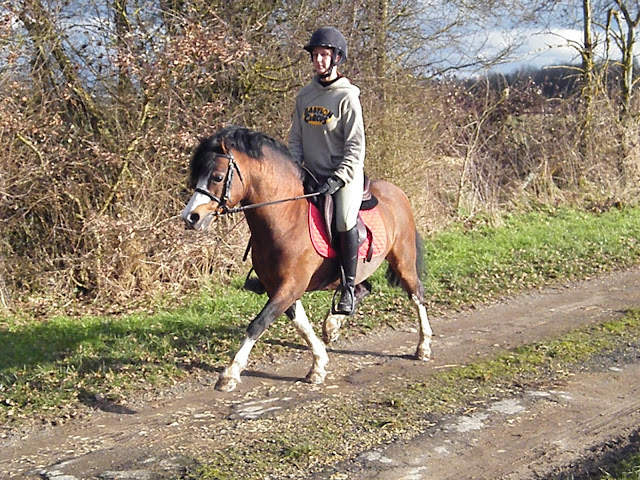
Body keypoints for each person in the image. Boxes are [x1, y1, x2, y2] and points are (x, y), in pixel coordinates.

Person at [288, 26, 365, 316]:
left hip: (342, 176)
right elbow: (296, 138)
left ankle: (348, 286)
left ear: (336, 58)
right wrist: (295, 168)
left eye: (324, 55)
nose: (318, 60)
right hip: (310, 174)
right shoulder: (304, 95)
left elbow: (355, 147)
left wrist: (338, 178)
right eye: (315, 55)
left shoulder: (347, 97)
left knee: (345, 220)